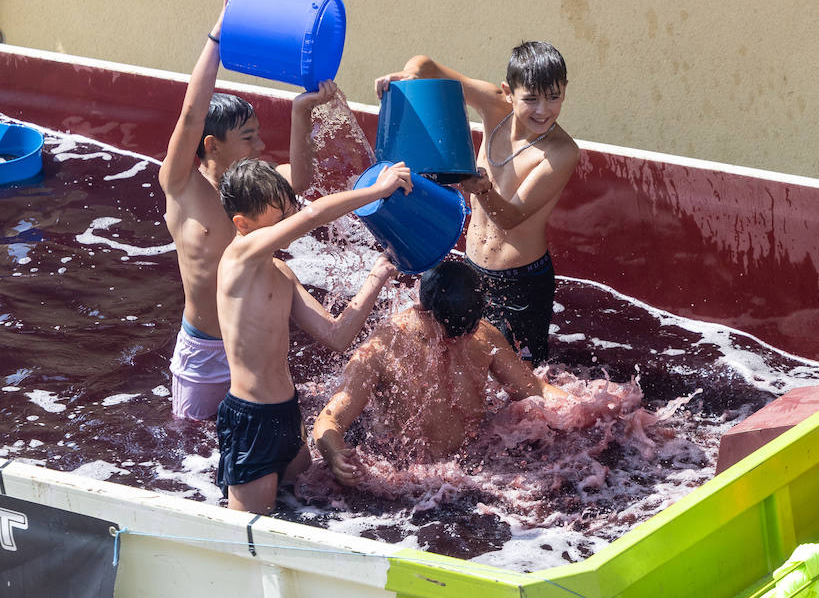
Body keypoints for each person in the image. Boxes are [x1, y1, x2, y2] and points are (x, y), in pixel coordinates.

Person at [159, 0, 340, 420]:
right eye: (248, 140)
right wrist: (219, 35)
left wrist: (302, 109)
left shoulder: (256, 185)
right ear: (212, 146)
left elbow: (299, 178)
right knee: (192, 457)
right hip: (204, 354)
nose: (260, 149)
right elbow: (190, 113)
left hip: (257, 352)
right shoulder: (183, 186)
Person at [215, 157, 412, 514]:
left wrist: (376, 277)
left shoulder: (280, 271)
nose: (291, 222)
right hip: (251, 420)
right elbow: (312, 217)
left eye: (290, 209)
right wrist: (377, 191)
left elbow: (336, 335)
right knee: (249, 537)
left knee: (303, 508)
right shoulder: (237, 259)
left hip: (287, 415)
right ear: (242, 225)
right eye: (280, 219)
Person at [374, 41, 580, 365]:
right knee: (456, 360)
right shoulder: (494, 106)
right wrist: (408, 77)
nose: (543, 110)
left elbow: (511, 218)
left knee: (520, 382)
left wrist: (482, 190)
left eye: (554, 96)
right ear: (508, 92)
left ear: (565, 90)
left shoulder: (561, 152)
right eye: (531, 98)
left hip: (520, 282)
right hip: (471, 267)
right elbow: (426, 64)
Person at [312, 259, 570, 486]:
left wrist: (584, 406)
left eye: (468, 329)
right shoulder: (383, 349)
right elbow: (329, 421)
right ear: (422, 312)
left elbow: (533, 391)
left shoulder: (482, 334)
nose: (461, 339)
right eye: (453, 332)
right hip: (409, 477)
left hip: (474, 469)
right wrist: (335, 455)